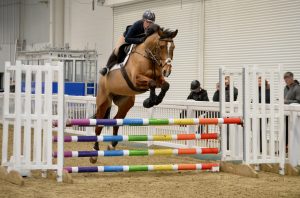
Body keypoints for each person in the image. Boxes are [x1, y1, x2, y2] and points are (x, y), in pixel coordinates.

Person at [100, 10, 156, 76]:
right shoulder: (137, 25)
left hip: (139, 40)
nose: (149, 24)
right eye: (147, 22)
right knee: (117, 50)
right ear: (143, 20)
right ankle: (107, 68)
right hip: (127, 37)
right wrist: (140, 40)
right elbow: (127, 39)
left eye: (151, 23)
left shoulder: (152, 29)